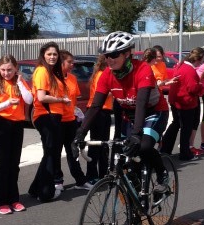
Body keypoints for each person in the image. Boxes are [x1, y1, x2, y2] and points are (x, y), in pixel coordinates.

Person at [74, 31, 170, 195]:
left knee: (144, 146)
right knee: (127, 156)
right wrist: (80, 133)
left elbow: (141, 103)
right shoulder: (107, 74)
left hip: (154, 111)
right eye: (106, 55)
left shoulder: (143, 69)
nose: (109, 59)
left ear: (127, 54)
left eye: (114, 55)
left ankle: (162, 173)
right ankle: (138, 200)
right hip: (130, 114)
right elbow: (95, 106)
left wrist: (136, 134)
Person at [0, 54, 32, 214]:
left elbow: (29, 100)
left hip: (17, 125)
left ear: (16, 69)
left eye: (9, 70)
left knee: (14, 163)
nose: (6, 73)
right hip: (2, 124)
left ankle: (14, 199)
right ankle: (0, 201)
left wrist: (19, 81)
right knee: (3, 163)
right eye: (3, 70)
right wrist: (7, 103)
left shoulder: (19, 82)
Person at [28, 42, 70, 202]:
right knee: (52, 153)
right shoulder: (42, 71)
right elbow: (41, 97)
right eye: (49, 54)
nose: (52, 57)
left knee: (50, 153)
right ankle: (46, 192)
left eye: (55, 54)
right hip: (46, 116)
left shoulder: (52, 72)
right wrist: (61, 100)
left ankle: (35, 188)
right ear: (43, 55)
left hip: (54, 116)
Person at [55, 50, 91, 192]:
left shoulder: (72, 78)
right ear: (61, 63)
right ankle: (57, 180)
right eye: (69, 62)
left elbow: (74, 100)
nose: (72, 64)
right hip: (58, 121)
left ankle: (80, 180)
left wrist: (77, 114)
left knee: (73, 152)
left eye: (72, 62)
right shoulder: (54, 79)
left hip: (71, 120)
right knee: (56, 152)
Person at [162, 47, 204, 160]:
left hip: (175, 100)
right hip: (185, 102)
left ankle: (165, 149)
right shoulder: (189, 69)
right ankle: (185, 154)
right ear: (199, 59)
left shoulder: (181, 65)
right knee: (186, 128)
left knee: (176, 124)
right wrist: (201, 86)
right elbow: (192, 88)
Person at [84, 54, 113, 184]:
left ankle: (103, 173)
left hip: (104, 111)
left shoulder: (104, 74)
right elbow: (102, 93)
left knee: (103, 144)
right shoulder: (101, 74)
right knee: (96, 144)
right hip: (97, 111)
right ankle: (91, 175)